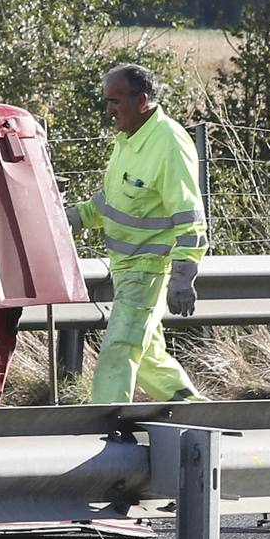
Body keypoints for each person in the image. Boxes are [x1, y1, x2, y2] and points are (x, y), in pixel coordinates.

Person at [66, 63, 208, 404]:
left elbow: (191, 218)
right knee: (146, 354)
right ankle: (193, 409)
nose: (109, 109)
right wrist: (71, 218)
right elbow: (116, 203)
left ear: (141, 100)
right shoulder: (128, 140)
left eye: (115, 100)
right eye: (106, 101)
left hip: (149, 267)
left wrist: (183, 276)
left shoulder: (169, 144)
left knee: (120, 345)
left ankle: (104, 424)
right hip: (127, 268)